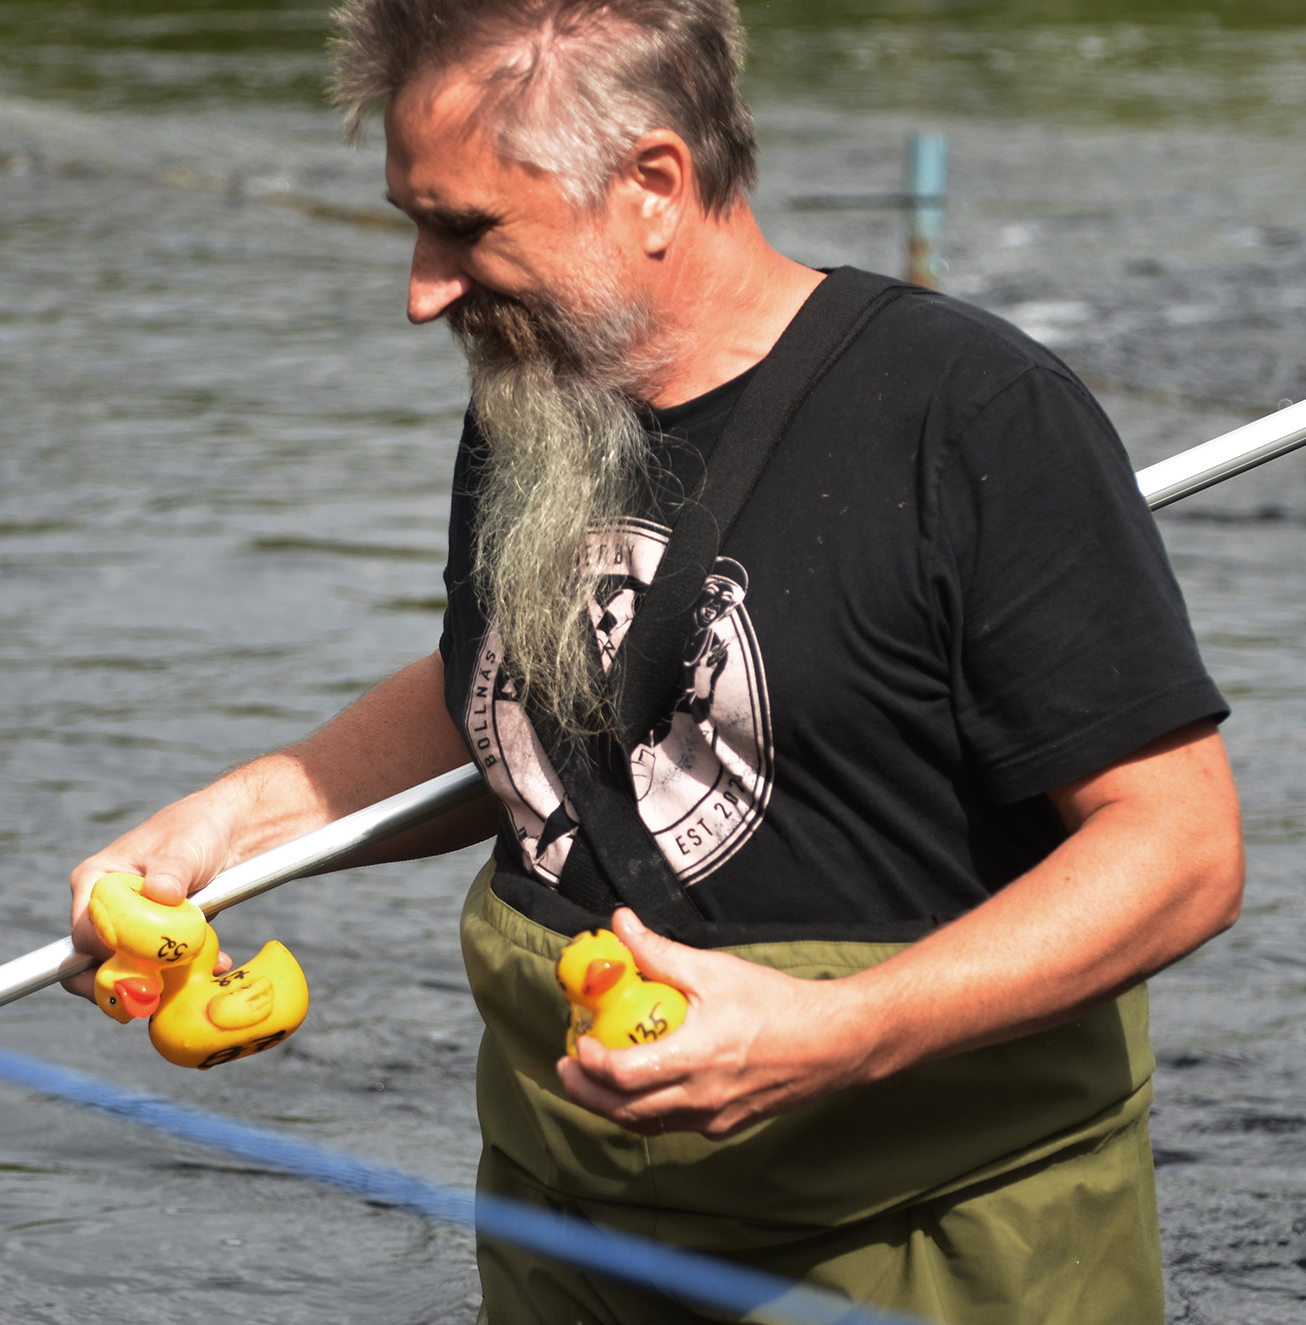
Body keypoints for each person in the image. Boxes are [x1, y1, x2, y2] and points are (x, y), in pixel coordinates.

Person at [63, 0, 1245, 1319]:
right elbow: (535, 698)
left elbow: (1179, 851)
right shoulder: (533, 390)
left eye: (466, 227)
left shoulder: (974, 419)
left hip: (923, 1248)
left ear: (653, 184)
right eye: (413, 218)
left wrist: (839, 1032)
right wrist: (249, 819)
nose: (420, 290)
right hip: (569, 1234)